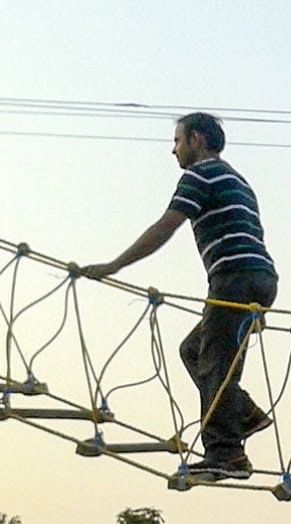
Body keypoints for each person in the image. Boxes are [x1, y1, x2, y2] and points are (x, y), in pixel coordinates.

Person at [81, 112, 278, 480]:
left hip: (234, 279)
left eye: (177, 141)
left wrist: (115, 265)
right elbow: (249, 231)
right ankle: (243, 413)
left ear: (198, 140)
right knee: (195, 351)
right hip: (258, 278)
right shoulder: (238, 179)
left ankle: (226, 454)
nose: (173, 150)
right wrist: (259, 301)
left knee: (216, 363)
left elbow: (165, 226)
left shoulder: (199, 175)